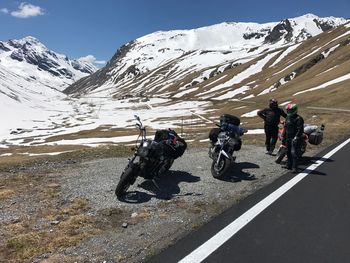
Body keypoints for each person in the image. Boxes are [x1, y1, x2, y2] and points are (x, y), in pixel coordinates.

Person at [282, 103, 304, 173]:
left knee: (294, 153)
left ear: (294, 110)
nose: (288, 111)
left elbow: (300, 129)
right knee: (287, 151)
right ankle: (289, 164)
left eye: (290, 110)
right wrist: (283, 135)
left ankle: (295, 167)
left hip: (295, 138)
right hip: (288, 137)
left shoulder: (299, 118)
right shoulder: (288, 117)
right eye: (288, 110)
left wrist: (296, 137)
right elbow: (286, 127)